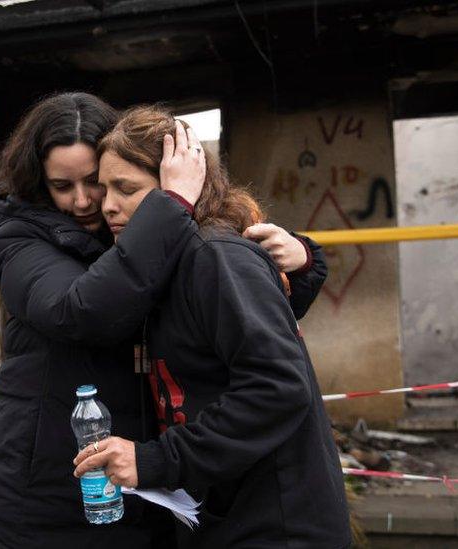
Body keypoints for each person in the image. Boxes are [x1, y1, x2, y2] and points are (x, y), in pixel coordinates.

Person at [0, 92, 324, 548]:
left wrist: (302, 261)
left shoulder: (156, 234)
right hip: (38, 497)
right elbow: (82, 311)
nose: (86, 201)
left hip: (144, 487)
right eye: (61, 185)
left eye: (98, 181)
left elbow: (236, 316)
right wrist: (170, 204)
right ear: (37, 182)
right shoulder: (21, 238)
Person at [73, 106, 351, 548]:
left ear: (178, 188)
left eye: (126, 188)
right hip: (222, 517)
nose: (107, 205)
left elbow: (278, 386)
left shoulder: (215, 257)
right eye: (103, 188)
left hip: (276, 526)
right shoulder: (164, 266)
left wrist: (155, 460)